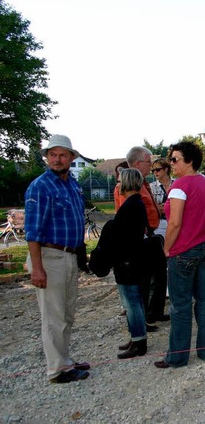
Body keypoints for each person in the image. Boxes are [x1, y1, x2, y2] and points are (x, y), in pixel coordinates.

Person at [24, 134, 90, 383]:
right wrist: (37, 268)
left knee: (66, 314)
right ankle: (57, 369)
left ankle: (64, 361)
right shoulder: (41, 186)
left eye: (63, 154)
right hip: (50, 256)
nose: (57, 159)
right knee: (54, 316)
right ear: (47, 157)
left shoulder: (71, 184)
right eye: (53, 154)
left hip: (68, 256)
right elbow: (32, 231)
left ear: (72, 158)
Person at [154, 141, 205, 369]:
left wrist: (166, 249)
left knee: (180, 305)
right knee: (204, 301)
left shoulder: (179, 186)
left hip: (184, 251)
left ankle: (178, 357)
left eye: (175, 159)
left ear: (189, 161)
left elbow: (174, 223)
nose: (171, 164)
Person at [116, 146, 168, 324]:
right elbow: (127, 214)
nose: (151, 166)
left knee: (160, 277)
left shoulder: (143, 183)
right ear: (137, 163)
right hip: (141, 238)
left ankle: (156, 312)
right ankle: (144, 317)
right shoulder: (127, 186)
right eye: (148, 162)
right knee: (144, 281)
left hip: (152, 235)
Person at [112, 168, 149, 359]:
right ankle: (136, 336)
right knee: (134, 300)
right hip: (131, 258)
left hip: (127, 260)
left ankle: (139, 340)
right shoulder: (136, 203)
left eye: (119, 181)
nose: (117, 184)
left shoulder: (131, 206)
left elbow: (124, 235)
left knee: (131, 301)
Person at [149, 157, 173, 238]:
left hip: (178, 221)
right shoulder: (151, 187)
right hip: (160, 223)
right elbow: (151, 208)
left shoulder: (178, 183)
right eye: (153, 171)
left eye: (158, 170)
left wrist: (163, 207)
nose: (155, 172)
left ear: (166, 169)